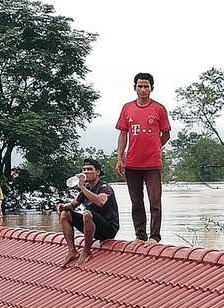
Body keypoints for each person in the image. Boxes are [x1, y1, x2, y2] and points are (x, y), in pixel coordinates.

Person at [115, 72, 171, 247]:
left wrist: (155, 147)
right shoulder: (127, 109)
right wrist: (120, 158)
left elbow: (166, 134)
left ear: (152, 88)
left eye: (146, 86)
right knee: (136, 202)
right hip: (132, 163)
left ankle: (155, 237)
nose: (143, 89)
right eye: (140, 86)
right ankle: (140, 236)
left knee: (155, 201)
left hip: (152, 163)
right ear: (135, 88)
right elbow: (123, 134)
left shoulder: (159, 109)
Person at [57, 158, 120, 267]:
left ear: (98, 172)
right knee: (65, 214)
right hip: (92, 226)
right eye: (84, 169)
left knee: (87, 213)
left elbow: (100, 202)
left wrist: (81, 187)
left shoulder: (104, 187)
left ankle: (87, 251)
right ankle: (72, 251)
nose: (86, 172)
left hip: (108, 228)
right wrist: (62, 207)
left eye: (90, 169)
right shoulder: (85, 190)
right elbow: (73, 205)